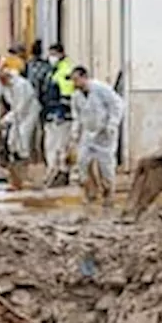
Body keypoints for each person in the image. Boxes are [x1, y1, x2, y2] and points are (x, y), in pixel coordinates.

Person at [68, 65, 125, 206]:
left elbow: (117, 104)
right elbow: (77, 116)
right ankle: (90, 192)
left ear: (84, 77)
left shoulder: (101, 89)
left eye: (76, 79)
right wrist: (75, 133)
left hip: (104, 134)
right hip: (88, 133)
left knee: (105, 165)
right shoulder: (76, 96)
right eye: (73, 80)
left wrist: (112, 123)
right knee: (82, 162)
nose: (74, 83)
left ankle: (108, 194)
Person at [0, 66, 41, 182]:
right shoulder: (4, 86)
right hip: (16, 114)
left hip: (29, 113)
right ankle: (14, 165)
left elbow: (21, 106)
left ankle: (25, 170)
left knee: (23, 137)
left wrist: (7, 118)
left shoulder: (21, 85)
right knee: (12, 140)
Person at [41, 42, 76, 186]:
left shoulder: (66, 70)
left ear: (61, 54)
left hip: (61, 115)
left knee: (60, 145)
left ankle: (61, 172)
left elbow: (67, 94)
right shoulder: (54, 70)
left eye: (53, 54)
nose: (51, 57)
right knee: (51, 145)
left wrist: (61, 112)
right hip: (51, 114)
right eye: (50, 54)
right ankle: (54, 172)